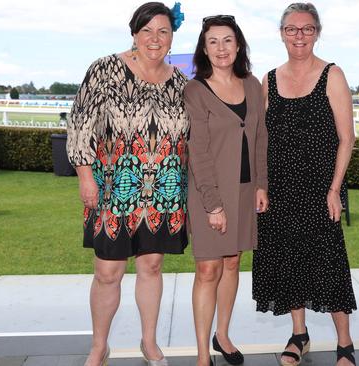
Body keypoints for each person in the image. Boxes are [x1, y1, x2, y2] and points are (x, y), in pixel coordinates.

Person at [66, 2, 187, 366]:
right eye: (147, 30)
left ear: (171, 37)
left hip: (164, 192)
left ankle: (148, 343)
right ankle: (99, 346)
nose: (155, 38)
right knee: (108, 271)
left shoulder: (181, 81)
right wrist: (85, 177)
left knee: (151, 267)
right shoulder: (105, 69)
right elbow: (80, 124)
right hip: (113, 189)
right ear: (134, 33)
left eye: (163, 31)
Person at [251, 3, 357, 366]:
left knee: (328, 261)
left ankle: (345, 342)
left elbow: (347, 138)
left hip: (320, 190)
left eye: (307, 29)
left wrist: (334, 189)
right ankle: (299, 335)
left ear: (317, 32)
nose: (299, 36)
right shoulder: (270, 78)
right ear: (281, 33)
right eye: (292, 29)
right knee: (288, 261)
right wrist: (260, 185)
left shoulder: (333, 74)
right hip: (279, 188)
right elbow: (260, 138)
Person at [184, 15, 268, 366]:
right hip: (209, 192)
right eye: (214, 41)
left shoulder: (252, 85)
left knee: (232, 263)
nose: (221, 48)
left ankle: (223, 335)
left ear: (239, 45)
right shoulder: (195, 90)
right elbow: (198, 151)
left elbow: (261, 138)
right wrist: (213, 205)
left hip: (246, 190)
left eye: (228, 40)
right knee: (208, 270)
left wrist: (262, 184)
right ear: (204, 48)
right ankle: (204, 353)